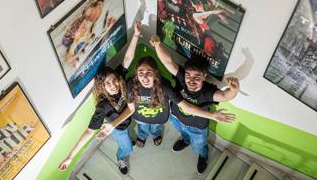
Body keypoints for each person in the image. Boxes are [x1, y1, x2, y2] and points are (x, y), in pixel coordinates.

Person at [96, 56, 236, 163]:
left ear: (155, 73)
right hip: (151, 118)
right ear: (136, 74)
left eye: (149, 72)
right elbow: (131, 109)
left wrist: (214, 114)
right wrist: (112, 124)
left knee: (198, 145)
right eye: (141, 72)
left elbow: (188, 106)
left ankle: (201, 156)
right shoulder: (130, 85)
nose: (144, 77)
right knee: (144, 128)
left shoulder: (166, 87)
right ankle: (152, 137)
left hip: (168, 119)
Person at [58, 20, 142, 175]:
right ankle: (121, 156)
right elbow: (89, 132)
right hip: (119, 129)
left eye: (113, 80)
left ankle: (128, 142)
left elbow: (128, 58)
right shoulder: (103, 106)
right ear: (102, 88)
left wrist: (136, 35)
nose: (113, 85)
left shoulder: (121, 79)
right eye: (107, 84)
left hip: (127, 120)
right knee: (127, 147)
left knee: (130, 134)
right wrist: (70, 157)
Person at [150, 35, 240, 175]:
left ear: (204, 77)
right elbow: (168, 62)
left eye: (197, 77)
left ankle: (203, 156)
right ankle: (185, 141)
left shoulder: (207, 91)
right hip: (177, 118)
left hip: (197, 128)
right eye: (188, 75)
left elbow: (224, 96)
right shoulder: (182, 78)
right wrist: (157, 45)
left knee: (200, 146)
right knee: (183, 134)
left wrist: (234, 89)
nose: (191, 81)